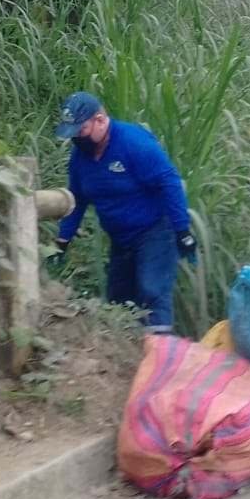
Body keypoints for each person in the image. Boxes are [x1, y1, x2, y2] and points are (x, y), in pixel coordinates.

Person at [48, 92, 197, 335]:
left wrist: (183, 231)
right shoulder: (80, 157)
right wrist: (62, 241)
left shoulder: (133, 143)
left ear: (99, 120)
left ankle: (161, 350)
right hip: (121, 239)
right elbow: (77, 199)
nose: (77, 137)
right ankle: (128, 353)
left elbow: (169, 182)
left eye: (81, 130)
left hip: (156, 229)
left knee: (151, 290)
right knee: (118, 301)